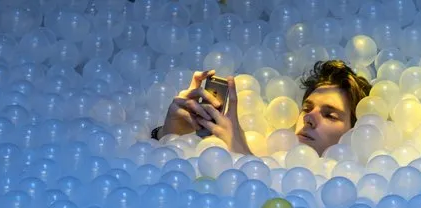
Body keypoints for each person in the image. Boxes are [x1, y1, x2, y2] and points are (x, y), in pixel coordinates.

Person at [151, 60, 372, 156]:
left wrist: (241, 155)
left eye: (330, 115)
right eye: (307, 108)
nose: (309, 118)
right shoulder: (269, 154)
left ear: (356, 134)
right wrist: (170, 136)